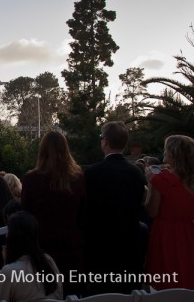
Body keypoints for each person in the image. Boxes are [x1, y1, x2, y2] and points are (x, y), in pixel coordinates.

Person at [84, 121, 147, 295]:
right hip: (129, 248)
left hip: (99, 248)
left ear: (105, 141)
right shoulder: (136, 174)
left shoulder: (92, 173)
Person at [21, 130, 86, 297]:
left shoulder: (30, 180)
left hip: (41, 250)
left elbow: (26, 216)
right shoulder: (78, 178)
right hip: (71, 247)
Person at [145, 134, 194, 290]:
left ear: (171, 153)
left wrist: (151, 183)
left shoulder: (162, 179)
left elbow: (152, 211)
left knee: (164, 281)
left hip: (164, 234)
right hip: (188, 233)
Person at [0, 211, 63, 302]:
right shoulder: (49, 261)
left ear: (11, 237)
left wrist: (5, 264)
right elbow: (59, 295)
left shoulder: (9, 271)